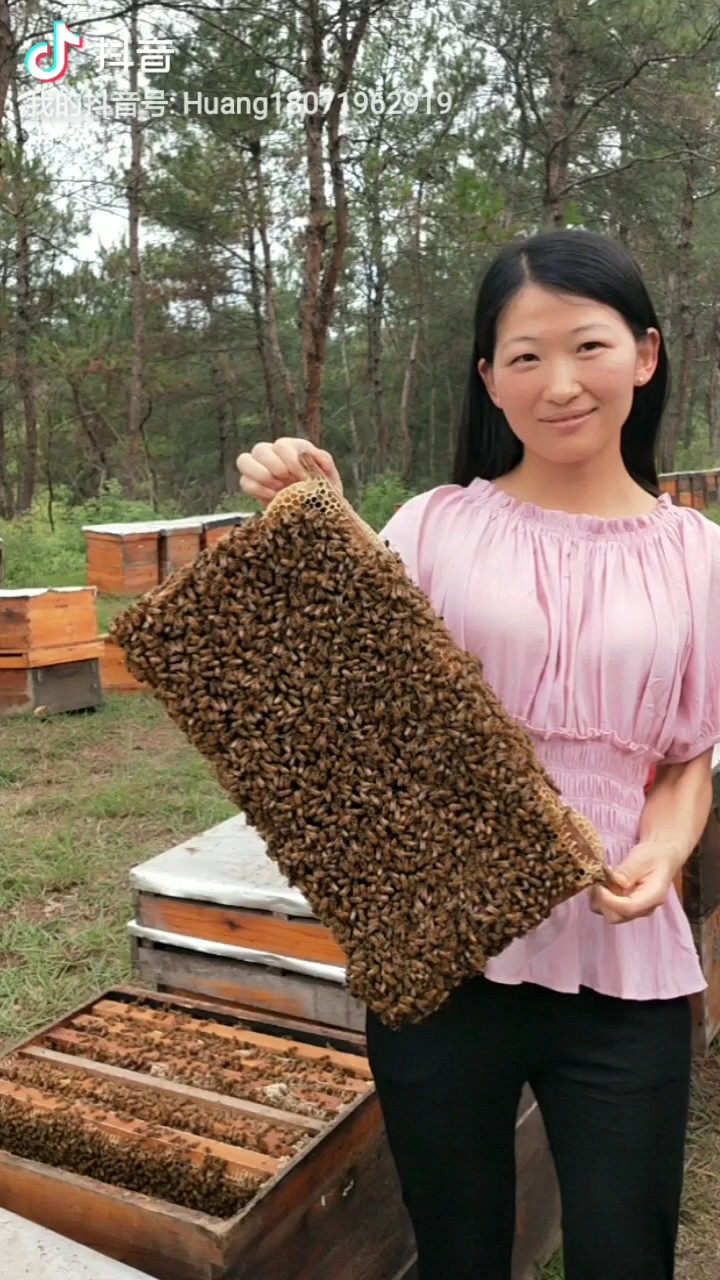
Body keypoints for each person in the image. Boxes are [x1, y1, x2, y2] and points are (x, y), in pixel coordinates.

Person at [236, 228, 719, 1280]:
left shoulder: (699, 555)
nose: (560, 383)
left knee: (626, 1254)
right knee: (456, 1254)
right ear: (490, 379)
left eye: (588, 346)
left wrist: (666, 852)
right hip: (444, 958)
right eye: (526, 356)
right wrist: (312, 518)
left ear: (645, 354)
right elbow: (355, 695)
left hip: (621, 962)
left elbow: (690, 755)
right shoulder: (433, 526)